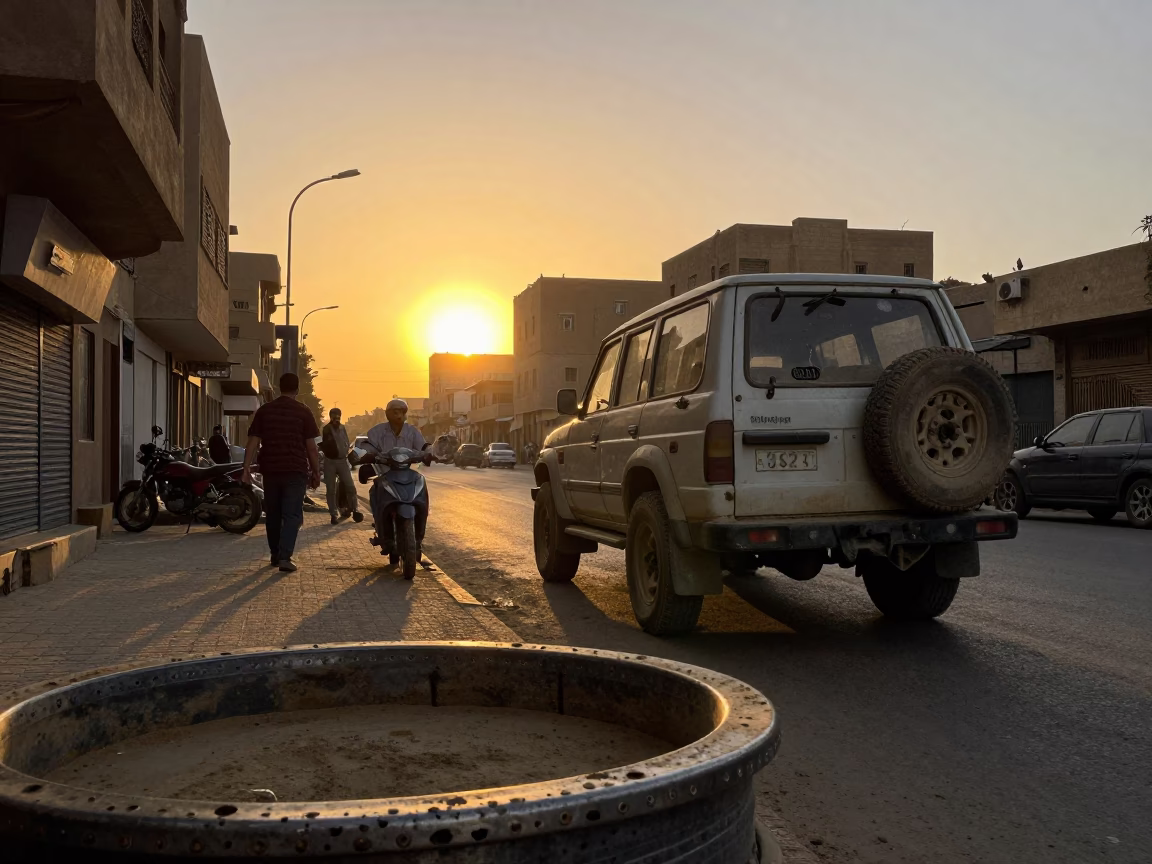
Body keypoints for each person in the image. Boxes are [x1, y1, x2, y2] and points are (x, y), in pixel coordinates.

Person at [241, 373, 321, 572]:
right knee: (292, 514)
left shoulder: (265, 411)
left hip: (271, 470)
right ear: (297, 389)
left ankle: (276, 555)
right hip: (295, 471)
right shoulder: (303, 412)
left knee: (274, 514)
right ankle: (285, 557)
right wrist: (316, 472)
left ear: (278, 387)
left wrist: (245, 469)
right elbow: (311, 447)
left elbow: (253, 441)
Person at [360, 399, 432, 560]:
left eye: (402, 410)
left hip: (407, 473)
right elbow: (363, 447)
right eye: (395, 411)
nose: (398, 414)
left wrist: (430, 452)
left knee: (421, 486)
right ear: (387, 414)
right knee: (374, 490)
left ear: (405, 413)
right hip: (385, 473)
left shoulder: (412, 431)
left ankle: (418, 539)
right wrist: (361, 455)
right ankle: (381, 530)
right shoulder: (377, 432)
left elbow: (423, 447)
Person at [321, 407, 361, 525]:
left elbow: (346, 443)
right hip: (330, 462)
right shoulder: (327, 429)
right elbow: (328, 444)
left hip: (342, 461)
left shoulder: (343, 428)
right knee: (331, 489)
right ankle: (333, 514)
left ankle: (355, 509)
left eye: (338, 416)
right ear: (331, 416)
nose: (336, 418)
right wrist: (333, 425)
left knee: (350, 486)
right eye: (334, 416)